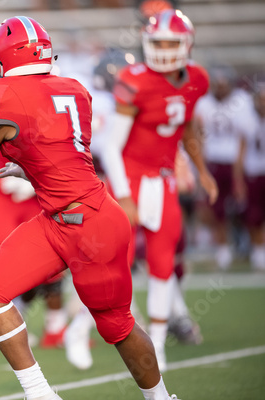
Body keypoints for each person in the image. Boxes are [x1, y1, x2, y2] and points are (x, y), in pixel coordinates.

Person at [0, 16, 180, 400]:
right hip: (59, 218)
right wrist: (30, 166)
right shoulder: (74, 89)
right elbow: (65, 153)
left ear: (0, 60)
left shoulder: (0, 96)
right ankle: (40, 394)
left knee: (117, 327)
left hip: (89, 223)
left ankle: (160, 398)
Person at [101, 9, 218, 372]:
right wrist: (123, 195)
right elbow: (109, 146)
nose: (164, 50)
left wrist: (201, 170)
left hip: (164, 178)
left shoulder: (197, 78)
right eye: (158, 42)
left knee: (164, 263)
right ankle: (80, 327)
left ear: (187, 45)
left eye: (171, 42)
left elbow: (187, 129)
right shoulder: (134, 79)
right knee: (109, 259)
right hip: (130, 177)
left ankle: (159, 345)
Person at [0, 149, 67, 350]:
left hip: (29, 187)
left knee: (53, 254)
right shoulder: (0, 121)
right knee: (13, 261)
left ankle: (56, 328)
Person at [193, 65, 254, 270]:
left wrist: (241, 167)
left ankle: (249, 246)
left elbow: (245, 137)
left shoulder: (241, 101)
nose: (220, 88)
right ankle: (224, 248)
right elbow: (199, 135)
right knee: (214, 208)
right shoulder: (204, 103)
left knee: (246, 207)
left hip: (239, 162)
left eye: (223, 84)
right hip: (214, 162)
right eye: (217, 85)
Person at [233, 80, 265, 271]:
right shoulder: (247, 120)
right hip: (253, 175)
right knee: (254, 216)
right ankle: (258, 251)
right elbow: (241, 153)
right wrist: (238, 181)